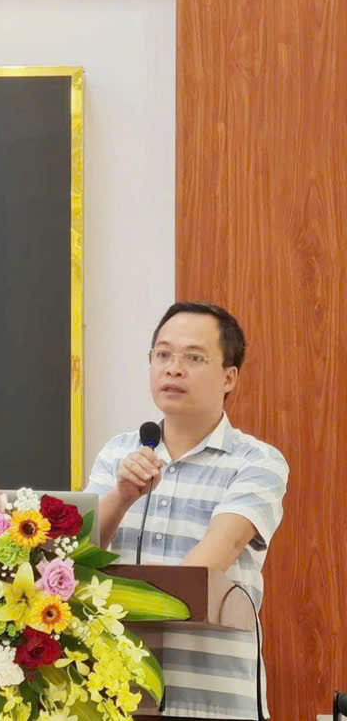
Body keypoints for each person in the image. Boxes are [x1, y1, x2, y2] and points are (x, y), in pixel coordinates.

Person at [84, 301, 288, 719]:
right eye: (163, 354)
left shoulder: (257, 461)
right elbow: (76, 559)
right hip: (120, 695)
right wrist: (121, 496)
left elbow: (214, 558)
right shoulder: (117, 453)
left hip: (214, 699)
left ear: (229, 377)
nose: (173, 369)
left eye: (193, 358)